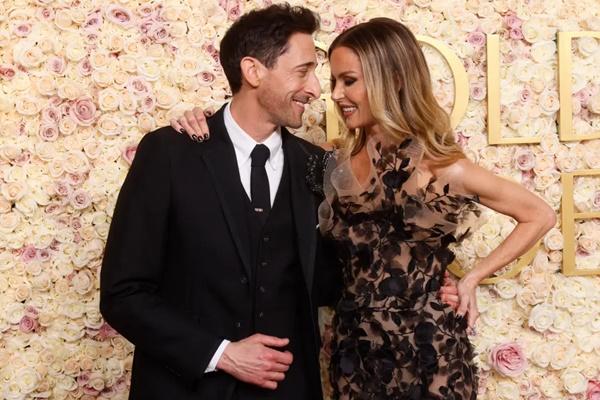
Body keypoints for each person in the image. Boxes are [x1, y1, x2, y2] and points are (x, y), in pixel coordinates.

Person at [172, 17, 556, 400]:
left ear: (394, 79)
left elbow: (540, 215)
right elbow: (249, 156)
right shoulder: (325, 164)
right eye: (334, 80)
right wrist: (202, 122)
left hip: (429, 350)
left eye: (349, 80)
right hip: (355, 350)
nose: (335, 94)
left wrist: (471, 278)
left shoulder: (443, 166)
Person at [101, 5, 334, 400]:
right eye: (303, 71)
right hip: (184, 389)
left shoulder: (318, 166)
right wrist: (221, 354)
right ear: (253, 70)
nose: (315, 88)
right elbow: (123, 294)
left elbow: (333, 283)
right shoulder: (170, 153)